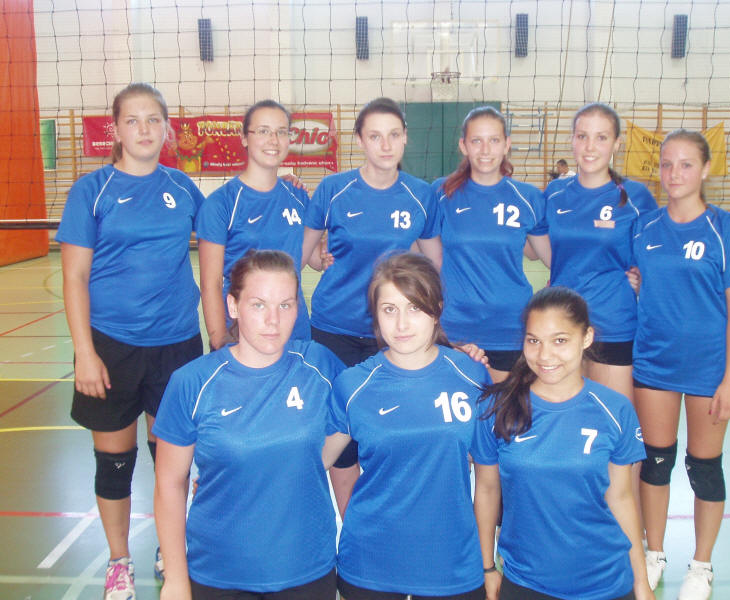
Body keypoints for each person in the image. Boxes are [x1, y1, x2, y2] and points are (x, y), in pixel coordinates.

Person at [56, 82, 205, 599]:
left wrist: (285, 186)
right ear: (116, 130)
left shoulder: (182, 187)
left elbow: (229, 233)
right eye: (133, 120)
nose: (144, 129)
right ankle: (119, 560)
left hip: (177, 347)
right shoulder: (91, 190)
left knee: (172, 461)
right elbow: (74, 277)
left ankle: (170, 547)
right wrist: (85, 353)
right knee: (115, 464)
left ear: (167, 128)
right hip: (112, 347)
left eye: (154, 120)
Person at [153, 250, 344, 600]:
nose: (273, 320)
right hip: (220, 574)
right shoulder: (193, 382)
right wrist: (176, 579)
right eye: (258, 305)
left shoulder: (320, 366)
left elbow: (377, 395)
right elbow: (169, 484)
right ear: (233, 305)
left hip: (306, 569)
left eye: (285, 305)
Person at [632, 130, 730, 600]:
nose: (674, 174)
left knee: (704, 468)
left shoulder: (724, 228)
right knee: (655, 463)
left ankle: (701, 564)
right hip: (655, 363)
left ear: (705, 169)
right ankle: (655, 552)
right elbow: (637, 278)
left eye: (686, 164)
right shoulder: (643, 227)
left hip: (708, 369)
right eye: (667, 164)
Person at [301, 97, 441, 515]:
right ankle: (352, 527)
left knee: (390, 429)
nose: (385, 145)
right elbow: (299, 258)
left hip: (396, 334)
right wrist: (317, 260)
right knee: (340, 435)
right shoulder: (334, 190)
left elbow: (434, 268)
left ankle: (391, 519)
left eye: (394, 135)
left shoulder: (420, 195)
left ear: (405, 138)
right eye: (375, 136)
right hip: (335, 329)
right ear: (360, 140)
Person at [323, 252, 489, 600]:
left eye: (414, 308)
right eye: (389, 309)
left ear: (437, 310)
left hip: (451, 568)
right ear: (375, 314)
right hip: (370, 567)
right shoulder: (353, 385)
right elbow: (312, 462)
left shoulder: (471, 375)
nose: (401, 324)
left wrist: (487, 564)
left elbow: (488, 473)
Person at [473, 286, 653, 600]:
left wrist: (641, 582)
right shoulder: (498, 409)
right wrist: (486, 566)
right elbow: (487, 491)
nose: (545, 356)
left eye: (560, 340)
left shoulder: (614, 410)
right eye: (534, 341)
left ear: (586, 337)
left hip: (606, 583)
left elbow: (621, 497)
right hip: (526, 583)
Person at [535, 103, 658, 401]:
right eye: (582, 136)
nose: (590, 147)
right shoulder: (554, 193)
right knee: (566, 418)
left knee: (612, 418)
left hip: (613, 323)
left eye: (601, 137)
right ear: (572, 140)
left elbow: (656, 254)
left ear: (616, 143)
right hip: (562, 323)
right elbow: (534, 248)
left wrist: (644, 280)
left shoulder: (635, 197)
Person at [434, 106, 550, 382]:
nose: (485, 150)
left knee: (505, 409)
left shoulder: (527, 198)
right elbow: (416, 251)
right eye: (477, 140)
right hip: (455, 329)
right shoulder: (441, 194)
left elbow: (552, 258)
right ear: (463, 145)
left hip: (509, 328)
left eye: (494, 140)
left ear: (507, 144)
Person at [197, 100, 312, 351]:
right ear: (244, 138)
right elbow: (210, 284)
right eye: (263, 131)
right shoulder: (221, 204)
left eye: (281, 132)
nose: (273, 140)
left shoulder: (298, 196)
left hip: (295, 330)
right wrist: (219, 340)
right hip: (244, 334)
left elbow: (313, 259)